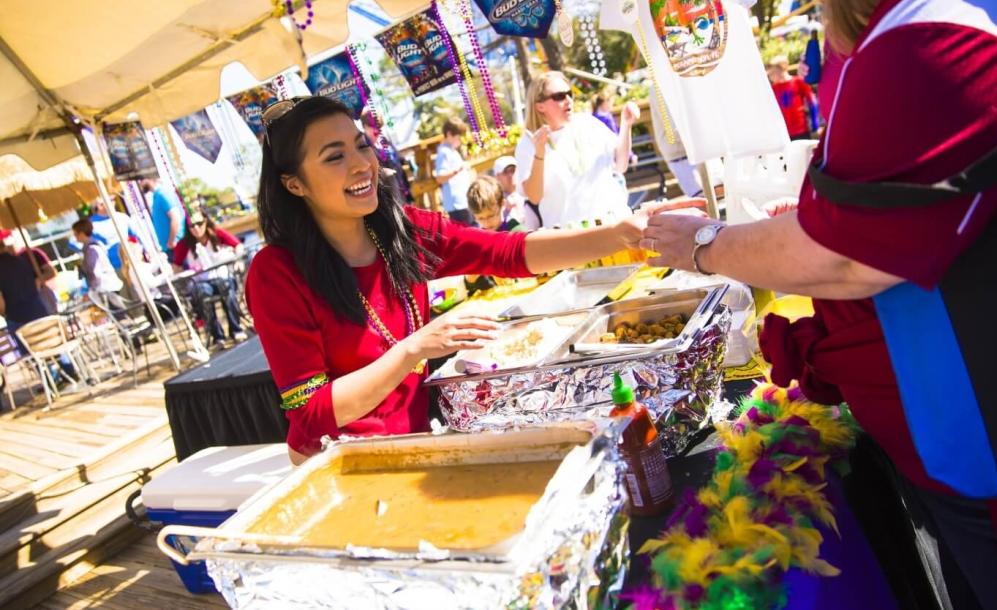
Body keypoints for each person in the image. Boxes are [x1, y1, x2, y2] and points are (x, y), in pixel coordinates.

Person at [639, 1, 997, 608]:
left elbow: (848, 257)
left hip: (988, 448)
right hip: (944, 435)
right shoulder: (901, 28)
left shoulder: (935, 32)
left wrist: (705, 243)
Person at [245, 96, 654, 465]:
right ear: (294, 183)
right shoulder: (275, 274)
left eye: (361, 145)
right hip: (338, 467)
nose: (361, 164)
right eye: (334, 157)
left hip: (415, 445)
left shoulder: (403, 232)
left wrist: (622, 233)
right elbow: (311, 413)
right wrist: (415, 348)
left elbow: (509, 253)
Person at [514, 71, 638, 228]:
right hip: (571, 236)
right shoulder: (529, 142)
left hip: (613, 223)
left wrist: (626, 125)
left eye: (569, 93)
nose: (568, 100)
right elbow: (534, 196)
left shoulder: (587, 123)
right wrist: (539, 153)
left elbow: (620, 165)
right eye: (559, 96)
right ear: (540, 106)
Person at [172, 209, 247, 348]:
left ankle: (236, 329)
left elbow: (238, 245)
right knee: (203, 295)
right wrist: (187, 275)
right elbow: (176, 266)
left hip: (222, 276)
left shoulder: (217, 234)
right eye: (191, 226)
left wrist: (238, 260)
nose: (196, 228)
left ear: (205, 222)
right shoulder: (185, 244)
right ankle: (217, 336)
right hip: (203, 282)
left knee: (227, 290)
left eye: (199, 224)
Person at [0, 229, 51, 348]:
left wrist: (5, 315)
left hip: (18, 319)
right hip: (39, 310)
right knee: (54, 346)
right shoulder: (21, 260)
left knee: (33, 356)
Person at [360, 107, 414, 203]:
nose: (377, 130)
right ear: (364, 126)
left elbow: (395, 157)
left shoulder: (384, 141)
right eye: (373, 126)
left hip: (400, 190)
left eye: (379, 126)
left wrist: (405, 160)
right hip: (385, 197)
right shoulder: (362, 147)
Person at [71, 219, 126, 308]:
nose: (75, 237)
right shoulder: (91, 247)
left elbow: (95, 272)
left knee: (119, 314)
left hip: (105, 287)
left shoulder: (91, 249)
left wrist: (92, 291)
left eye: (75, 234)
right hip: (107, 286)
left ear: (81, 233)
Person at [433, 117, 475, 225]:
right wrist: (457, 170)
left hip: (463, 201)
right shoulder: (443, 152)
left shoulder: (452, 150)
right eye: (458, 136)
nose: (460, 139)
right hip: (457, 204)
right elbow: (440, 177)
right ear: (449, 134)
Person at [767, 55, 817, 140]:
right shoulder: (773, 89)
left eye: (772, 73)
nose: (770, 77)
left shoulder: (798, 82)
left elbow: (812, 101)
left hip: (801, 130)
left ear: (782, 69)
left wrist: (815, 122)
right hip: (784, 134)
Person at [139, 177, 185, 261]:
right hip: (172, 248)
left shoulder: (162, 194)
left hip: (177, 246)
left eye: (141, 180)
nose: (140, 184)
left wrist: (171, 241)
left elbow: (175, 218)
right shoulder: (157, 196)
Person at [492, 156, 539, 230]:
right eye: (505, 172)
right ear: (497, 177)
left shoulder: (529, 193)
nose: (510, 175)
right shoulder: (494, 203)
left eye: (513, 170)